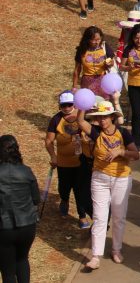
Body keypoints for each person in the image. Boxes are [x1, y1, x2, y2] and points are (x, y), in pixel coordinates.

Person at [75, 100, 138, 270]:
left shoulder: (124, 133)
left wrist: (121, 152)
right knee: (99, 217)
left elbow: (136, 154)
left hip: (121, 178)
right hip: (100, 178)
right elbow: (80, 122)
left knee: (119, 217)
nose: (102, 120)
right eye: (99, 117)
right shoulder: (96, 132)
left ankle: (116, 250)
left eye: (105, 117)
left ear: (112, 117)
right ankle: (96, 255)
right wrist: (81, 104)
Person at [45, 92, 93, 230]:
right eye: (63, 105)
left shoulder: (82, 117)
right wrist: (53, 156)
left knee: (80, 190)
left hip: (81, 162)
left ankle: (82, 215)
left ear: (75, 104)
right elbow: (49, 141)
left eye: (69, 105)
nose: (66, 108)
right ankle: (64, 199)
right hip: (63, 163)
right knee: (64, 187)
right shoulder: (56, 119)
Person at [0, 135, 41, 283]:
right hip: (27, 225)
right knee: (22, 260)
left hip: (4, 227)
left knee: (8, 270)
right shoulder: (26, 171)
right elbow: (36, 199)